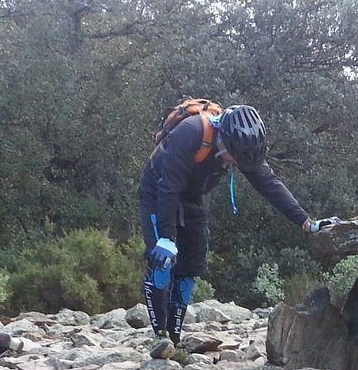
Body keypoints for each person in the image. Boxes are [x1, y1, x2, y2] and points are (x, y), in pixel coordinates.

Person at [138, 101, 337, 357]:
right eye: (234, 158)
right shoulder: (190, 132)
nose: (235, 164)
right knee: (162, 261)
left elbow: (269, 184)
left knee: (190, 267)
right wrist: (166, 237)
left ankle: (174, 339)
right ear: (224, 140)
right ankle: (160, 337)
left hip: (193, 197)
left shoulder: (244, 149)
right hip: (158, 192)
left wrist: (307, 222)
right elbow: (168, 187)